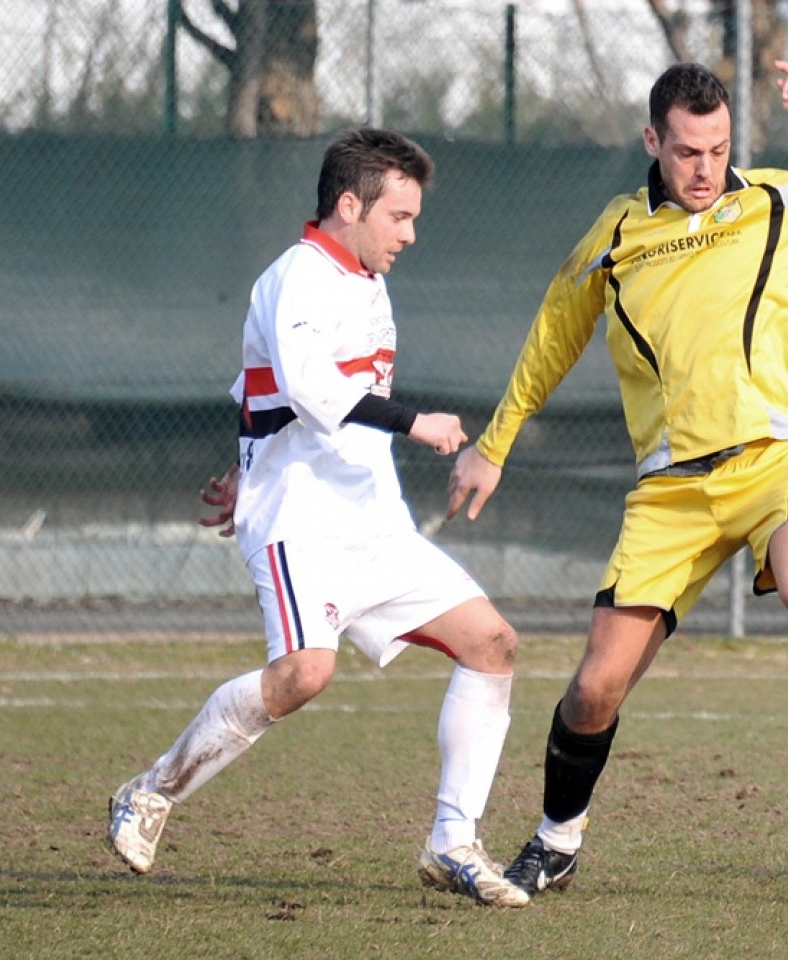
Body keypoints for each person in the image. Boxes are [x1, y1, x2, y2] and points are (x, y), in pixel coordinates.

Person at [445, 61, 788, 899]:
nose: (705, 168)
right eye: (686, 151)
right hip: (672, 488)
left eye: (717, 148)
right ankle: (557, 839)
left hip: (782, 456)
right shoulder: (614, 237)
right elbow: (550, 341)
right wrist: (493, 444)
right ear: (653, 142)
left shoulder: (777, 201)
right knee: (593, 688)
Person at [106, 127, 529, 908]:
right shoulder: (297, 277)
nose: (411, 232)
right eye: (399, 215)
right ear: (348, 205)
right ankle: (151, 790)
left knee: (494, 645)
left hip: (371, 519)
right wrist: (414, 422)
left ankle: (452, 841)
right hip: (300, 520)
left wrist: (241, 465)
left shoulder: (366, 280)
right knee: (305, 673)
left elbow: (258, 389)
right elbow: (305, 388)